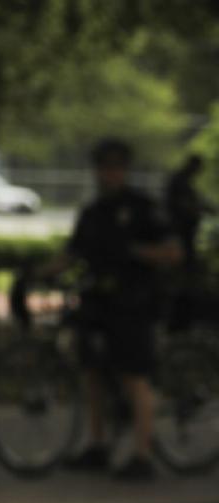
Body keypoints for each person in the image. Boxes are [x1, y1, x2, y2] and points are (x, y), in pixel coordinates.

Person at [46, 138, 182, 480]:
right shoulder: (93, 213)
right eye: (104, 168)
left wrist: (135, 252)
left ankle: (143, 455)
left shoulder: (143, 208)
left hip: (135, 302)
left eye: (116, 167)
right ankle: (98, 445)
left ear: (125, 170)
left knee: (134, 375)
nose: (110, 174)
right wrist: (38, 272)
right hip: (99, 302)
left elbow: (173, 252)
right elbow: (72, 253)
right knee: (93, 372)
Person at [164, 154, 209, 330]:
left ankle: (181, 319)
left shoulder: (183, 182)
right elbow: (184, 206)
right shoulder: (179, 182)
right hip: (179, 237)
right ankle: (178, 320)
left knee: (185, 279)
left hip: (184, 236)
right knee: (181, 281)